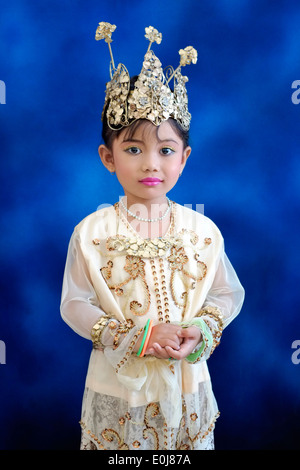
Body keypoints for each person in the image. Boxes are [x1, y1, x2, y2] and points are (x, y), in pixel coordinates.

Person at [60, 22, 244, 451]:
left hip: (188, 384)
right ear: (108, 157)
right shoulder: (93, 233)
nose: (150, 165)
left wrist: (201, 328)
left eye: (165, 150)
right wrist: (136, 335)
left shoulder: (202, 231)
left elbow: (225, 294)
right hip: (120, 388)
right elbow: (74, 303)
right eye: (133, 149)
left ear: (185, 158)